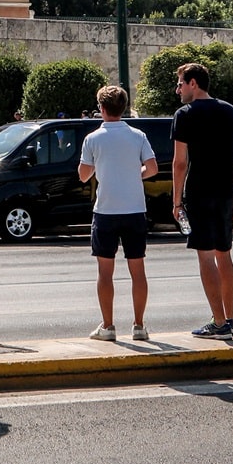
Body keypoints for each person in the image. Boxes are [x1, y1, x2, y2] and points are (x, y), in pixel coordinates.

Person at [172, 63, 233, 340]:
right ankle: (230, 317)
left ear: (193, 83)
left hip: (200, 192)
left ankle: (219, 323)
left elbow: (180, 162)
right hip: (226, 192)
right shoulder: (231, 111)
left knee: (205, 255)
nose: (178, 89)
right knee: (224, 253)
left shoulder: (185, 115)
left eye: (181, 83)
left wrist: (176, 200)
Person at [78, 85, 158, 341]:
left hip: (106, 210)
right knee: (138, 270)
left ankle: (108, 325)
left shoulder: (92, 138)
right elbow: (153, 168)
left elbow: (83, 175)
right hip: (135, 208)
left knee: (105, 272)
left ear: (101, 108)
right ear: (123, 108)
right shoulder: (138, 135)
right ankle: (139, 325)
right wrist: (136, 174)